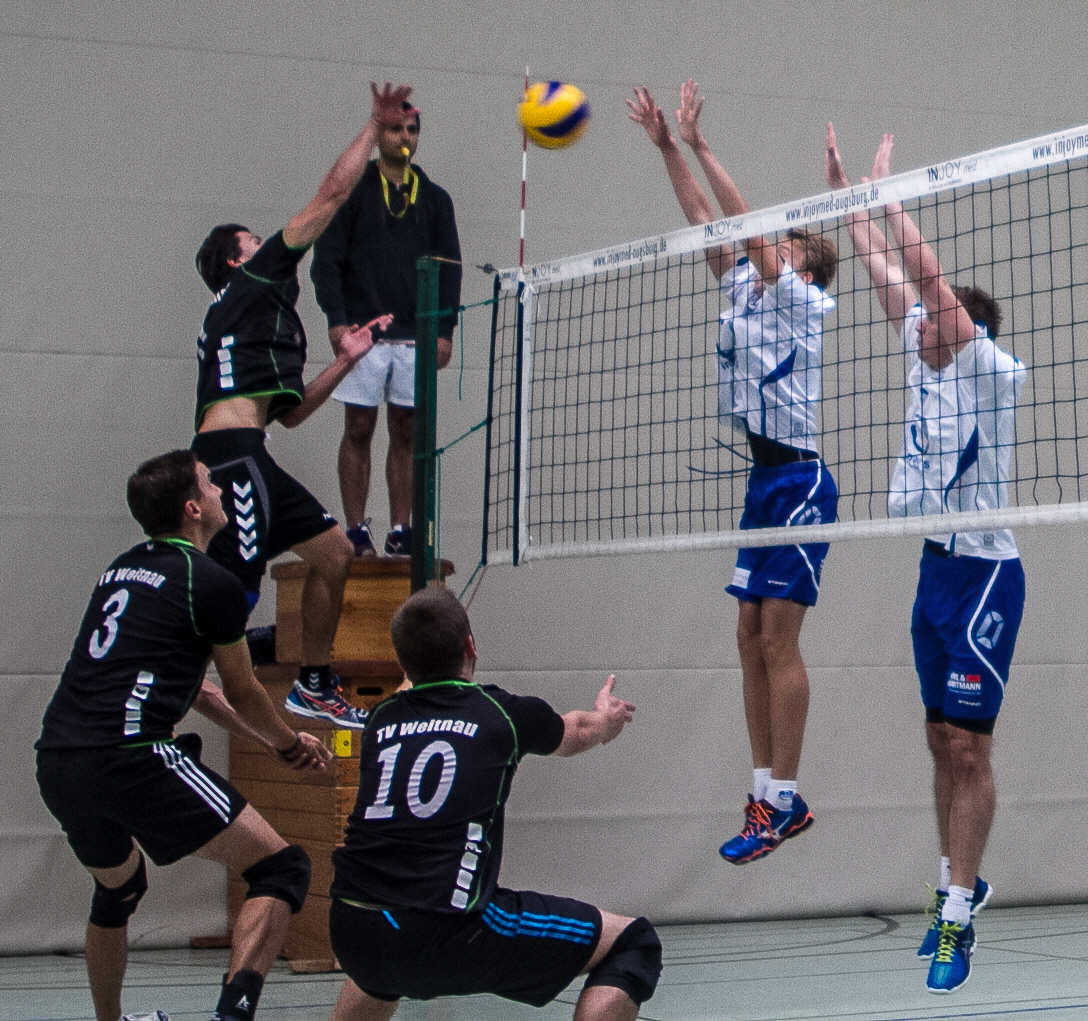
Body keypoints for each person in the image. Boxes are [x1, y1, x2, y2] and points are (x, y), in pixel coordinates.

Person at [826, 127, 1026, 993]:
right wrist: (851, 201)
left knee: (971, 749)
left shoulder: (988, 371)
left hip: (986, 575)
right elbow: (885, 270)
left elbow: (925, 275)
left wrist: (891, 198)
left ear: (961, 331)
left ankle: (956, 914)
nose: (917, 326)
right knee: (940, 737)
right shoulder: (927, 363)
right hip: (935, 570)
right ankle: (957, 881)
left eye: (933, 320)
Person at [35, 450, 332, 1021]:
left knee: (118, 890)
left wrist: (269, 744)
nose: (220, 489)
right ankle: (232, 1015)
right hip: (133, 757)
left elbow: (203, 694)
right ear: (193, 509)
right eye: (210, 483)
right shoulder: (211, 582)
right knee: (282, 868)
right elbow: (244, 689)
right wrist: (289, 742)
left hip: (60, 761)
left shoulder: (120, 569)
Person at [628, 81, 839, 865]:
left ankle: (785, 795)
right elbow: (704, 220)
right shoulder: (746, 292)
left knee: (778, 639)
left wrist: (703, 142)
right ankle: (763, 795)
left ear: (802, 267)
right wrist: (667, 148)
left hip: (801, 482)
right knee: (747, 635)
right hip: (763, 482)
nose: (769, 248)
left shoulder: (801, 302)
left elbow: (746, 228)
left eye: (784, 246)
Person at [324, 587, 660, 1021]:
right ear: (470, 646)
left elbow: (411, 682)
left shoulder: (380, 721)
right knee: (634, 942)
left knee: (381, 971)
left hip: (351, 929)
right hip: (447, 931)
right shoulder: (502, 714)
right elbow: (577, 731)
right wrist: (607, 720)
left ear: (402, 663)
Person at [192, 82, 416, 729]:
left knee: (336, 553)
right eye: (255, 241)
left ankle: (314, 683)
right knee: (230, 594)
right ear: (237, 260)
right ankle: (180, 682)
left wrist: (347, 360)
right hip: (230, 459)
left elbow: (289, 415)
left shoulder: (261, 323)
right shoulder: (250, 285)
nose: (268, 244)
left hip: (250, 450)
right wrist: (373, 127)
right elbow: (331, 196)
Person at [310, 96, 462, 559]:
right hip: (364, 335)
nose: (405, 138)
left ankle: (401, 529)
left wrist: (444, 330)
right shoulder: (354, 192)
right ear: (379, 135)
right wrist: (337, 321)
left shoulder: (435, 199)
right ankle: (356, 530)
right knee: (359, 426)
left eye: (412, 130)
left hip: (416, 336)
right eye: (397, 129)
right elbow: (326, 261)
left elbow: (450, 269)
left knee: (407, 430)